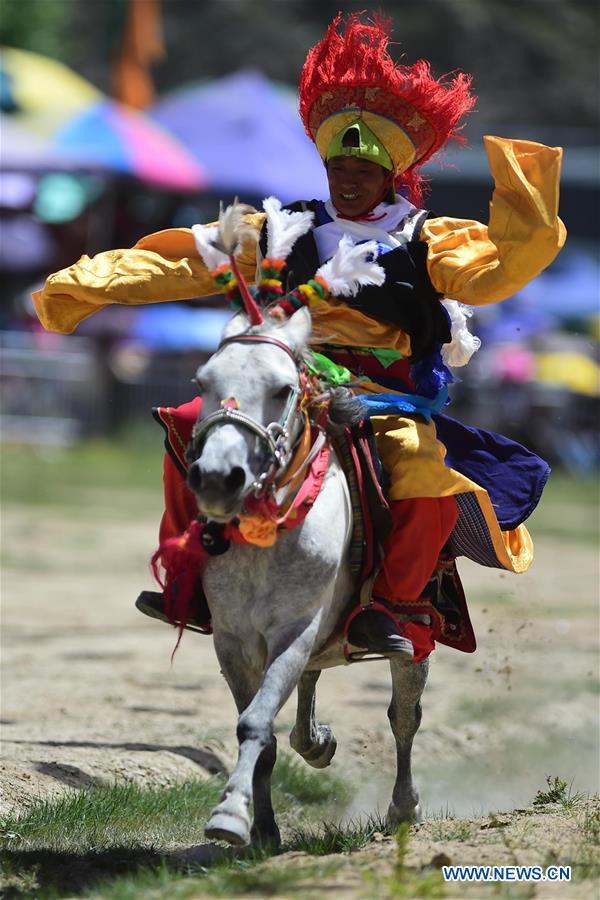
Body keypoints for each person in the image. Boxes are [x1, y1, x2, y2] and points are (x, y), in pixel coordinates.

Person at [32, 13, 565, 663]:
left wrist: (526, 207)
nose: (345, 178)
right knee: (192, 423)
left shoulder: (427, 238)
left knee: (429, 481)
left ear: (390, 176)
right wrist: (81, 287)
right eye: (336, 164)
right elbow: (180, 263)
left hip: (380, 396)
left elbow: (496, 274)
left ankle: (392, 608)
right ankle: (189, 578)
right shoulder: (281, 228)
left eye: (361, 171)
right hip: (286, 374)